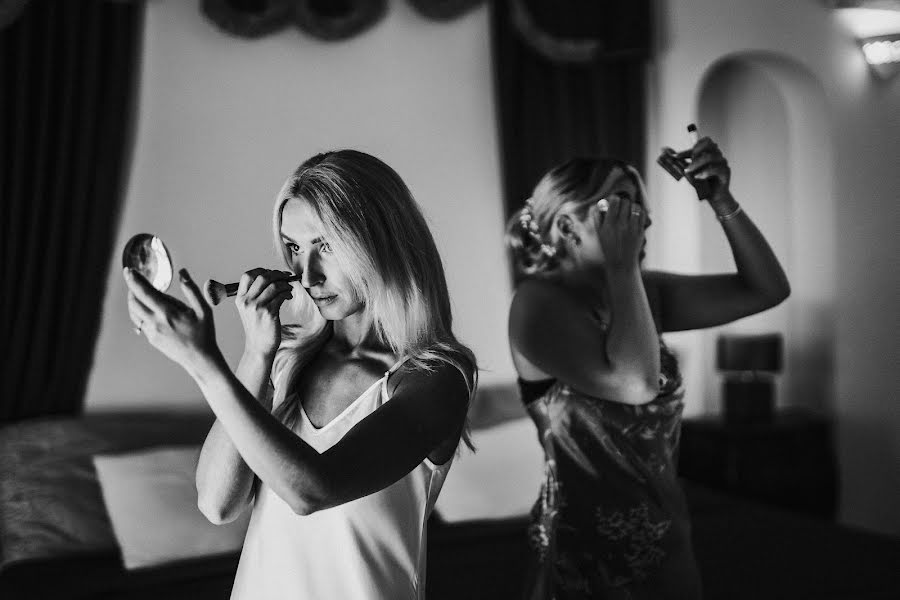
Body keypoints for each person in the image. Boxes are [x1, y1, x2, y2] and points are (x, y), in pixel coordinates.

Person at [123, 150, 477, 600]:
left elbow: (312, 490)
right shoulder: (290, 360)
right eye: (294, 247)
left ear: (382, 239)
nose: (306, 274)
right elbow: (217, 503)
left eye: (325, 245)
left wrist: (201, 362)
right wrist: (256, 356)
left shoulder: (437, 376)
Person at [505, 137, 790, 599]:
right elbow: (636, 384)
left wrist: (721, 199)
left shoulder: (645, 292)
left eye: (641, 206)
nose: (644, 219)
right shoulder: (537, 304)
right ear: (567, 226)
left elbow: (766, 289)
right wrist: (623, 270)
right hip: (583, 555)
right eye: (622, 204)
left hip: (665, 537)